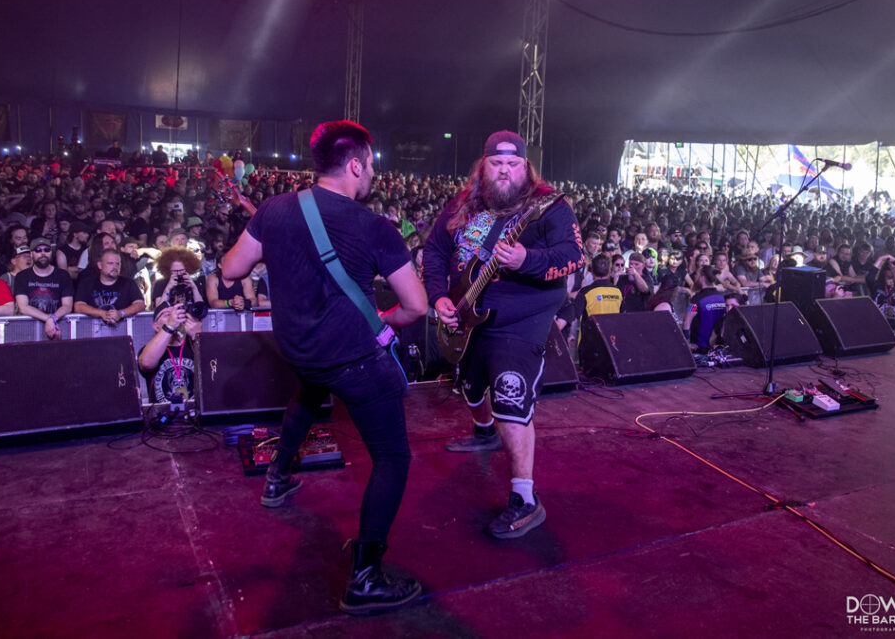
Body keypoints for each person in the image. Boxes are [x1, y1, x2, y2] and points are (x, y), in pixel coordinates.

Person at [222, 120, 428, 615]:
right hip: (353, 360)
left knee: (309, 393)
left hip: (299, 348)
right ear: (356, 164)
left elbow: (230, 270)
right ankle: (366, 577)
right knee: (393, 459)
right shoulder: (374, 226)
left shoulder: (273, 210)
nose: (373, 174)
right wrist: (384, 318)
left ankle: (277, 477)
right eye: (372, 165)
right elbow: (416, 306)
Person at [423, 130, 583, 540]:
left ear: (526, 168)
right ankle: (482, 432)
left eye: (513, 164)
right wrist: (440, 296)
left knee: (510, 397)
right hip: (467, 312)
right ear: (484, 165)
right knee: (471, 384)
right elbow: (437, 251)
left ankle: (525, 499)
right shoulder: (463, 204)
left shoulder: (550, 206)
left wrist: (526, 258)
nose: (505, 171)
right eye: (497, 163)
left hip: (521, 320)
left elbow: (572, 257)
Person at [138, 304, 202, 404]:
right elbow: (147, 363)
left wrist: (198, 337)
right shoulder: (148, 349)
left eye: (178, 313)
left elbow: (213, 370)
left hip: (195, 414)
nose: (174, 317)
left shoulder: (193, 344)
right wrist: (169, 326)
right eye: (168, 314)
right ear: (156, 326)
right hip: (161, 416)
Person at [13, 237, 74, 340]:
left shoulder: (63, 275)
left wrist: (53, 319)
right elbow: (23, 307)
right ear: (31, 254)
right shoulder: (22, 276)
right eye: (38, 250)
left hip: (57, 330)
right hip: (28, 331)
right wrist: (49, 319)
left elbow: (67, 306)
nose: (43, 253)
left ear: (51, 253)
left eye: (47, 250)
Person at [73, 248, 145, 325]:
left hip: (124, 331)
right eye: (110, 263)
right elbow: (78, 306)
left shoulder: (129, 283)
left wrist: (121, 314)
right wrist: (102, 313)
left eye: (117, 264)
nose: (115, 267)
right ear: (100, 265)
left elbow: (140, 304)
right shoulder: (87, 283)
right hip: (93, 332)